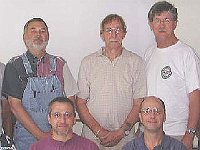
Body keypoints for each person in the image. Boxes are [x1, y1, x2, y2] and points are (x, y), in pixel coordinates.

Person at [2, 18, 78, 150]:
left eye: (42, 31)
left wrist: (59, 133)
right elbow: (14, 106)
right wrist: (42, 137)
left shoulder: (60, 64)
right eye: (33, 31)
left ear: (48, 36)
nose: (38, 34)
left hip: (60, 136)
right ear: (24, 37)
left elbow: (71, 102)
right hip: (26, 139)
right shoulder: (14, 66)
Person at [76, 14, 146, 150]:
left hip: (125, 138)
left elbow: (139, 103)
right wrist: (99, 131)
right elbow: (80, 102)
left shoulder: (136, 62)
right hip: (92, 138)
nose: (113, 34)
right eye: (108, 30)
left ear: (124, 33)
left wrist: (121, 132)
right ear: (102, 35)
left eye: (118, 29)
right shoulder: (88, 62)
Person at [145, 1, 200, 149]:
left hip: (178, 134)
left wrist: (190, 133)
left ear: (175, 24)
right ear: (151, 24)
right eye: (157, 20)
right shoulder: (149, 53)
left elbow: (195, 97)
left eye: (167, 20)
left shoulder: (186, 54)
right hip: (151, 134)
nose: (161, 25)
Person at [29, 97, 99, 150]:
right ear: (49, 119)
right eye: (57, 115)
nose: (62, 120)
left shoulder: (90, 147)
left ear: (74, 119)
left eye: (67, 115)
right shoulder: (37, 148)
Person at [122, 96, 187, 150]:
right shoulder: (129, 148)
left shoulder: (178, 147)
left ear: (164, 116)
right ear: (140, 117)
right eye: (147, 111)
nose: (152, 116)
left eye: (157, 111)